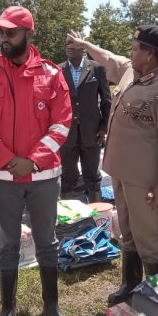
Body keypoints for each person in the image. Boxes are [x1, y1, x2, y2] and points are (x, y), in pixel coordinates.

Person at [66, 25, 158, 305]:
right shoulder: (133, 70)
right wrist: (85, 44)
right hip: (120, 169)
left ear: (151, 55)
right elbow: (107, 57)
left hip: (144, 177)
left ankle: (155, 293)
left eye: (136, 48)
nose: (131, 51)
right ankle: (130, 283)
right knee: (127, 230)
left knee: (146, 234)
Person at [0, 6, 72, 316]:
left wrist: (33, 160)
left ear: (28, 34)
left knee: (47, 242)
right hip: (2, 178)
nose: (3, 39)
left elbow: (61, 123)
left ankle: (51, 306)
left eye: (10, 33)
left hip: (43, 176)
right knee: (7, 244)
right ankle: (6, 311)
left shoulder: (52, 73)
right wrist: (5, 158)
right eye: (0, 33)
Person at [59, 39, 111, 202]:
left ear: (82, 49)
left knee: (92, 174)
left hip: (92, 131)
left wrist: (104, 127)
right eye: (67, 47)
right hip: (66, 132)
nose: (70, 50)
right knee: (68, 175)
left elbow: (106, 100)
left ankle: (97, 208)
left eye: (74, 46)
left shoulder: (96, 69)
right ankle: (68, 215)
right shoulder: (58, 70)